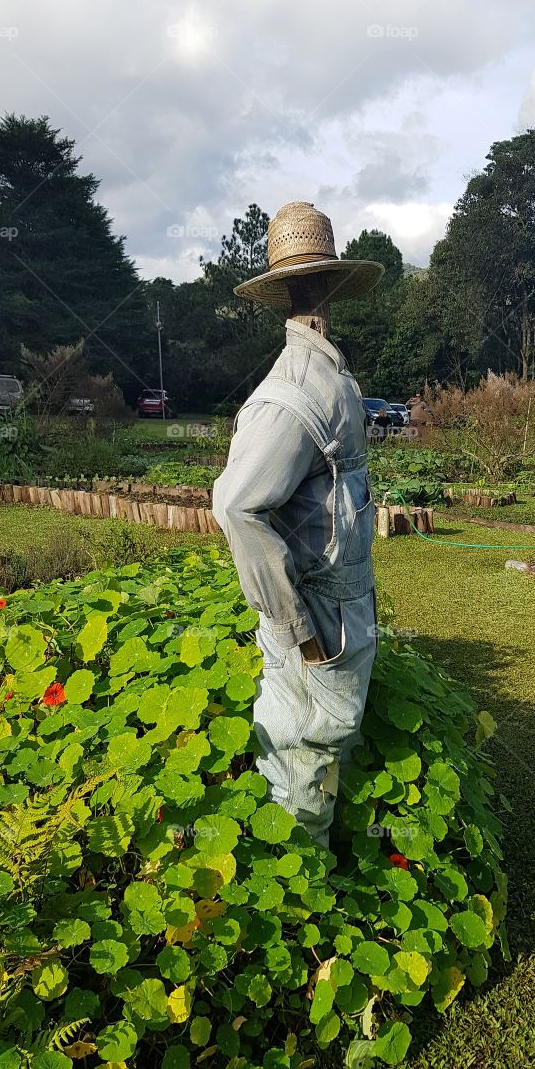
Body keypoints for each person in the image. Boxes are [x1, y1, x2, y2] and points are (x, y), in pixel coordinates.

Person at [212, 202, 384, 848]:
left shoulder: (328, 372)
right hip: (322, 615)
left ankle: (303, 861)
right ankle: (296, 879)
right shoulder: (293, 393)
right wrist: (293, 626)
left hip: (341, 601)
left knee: (320, 744)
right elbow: (238, 506)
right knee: (304, 751)